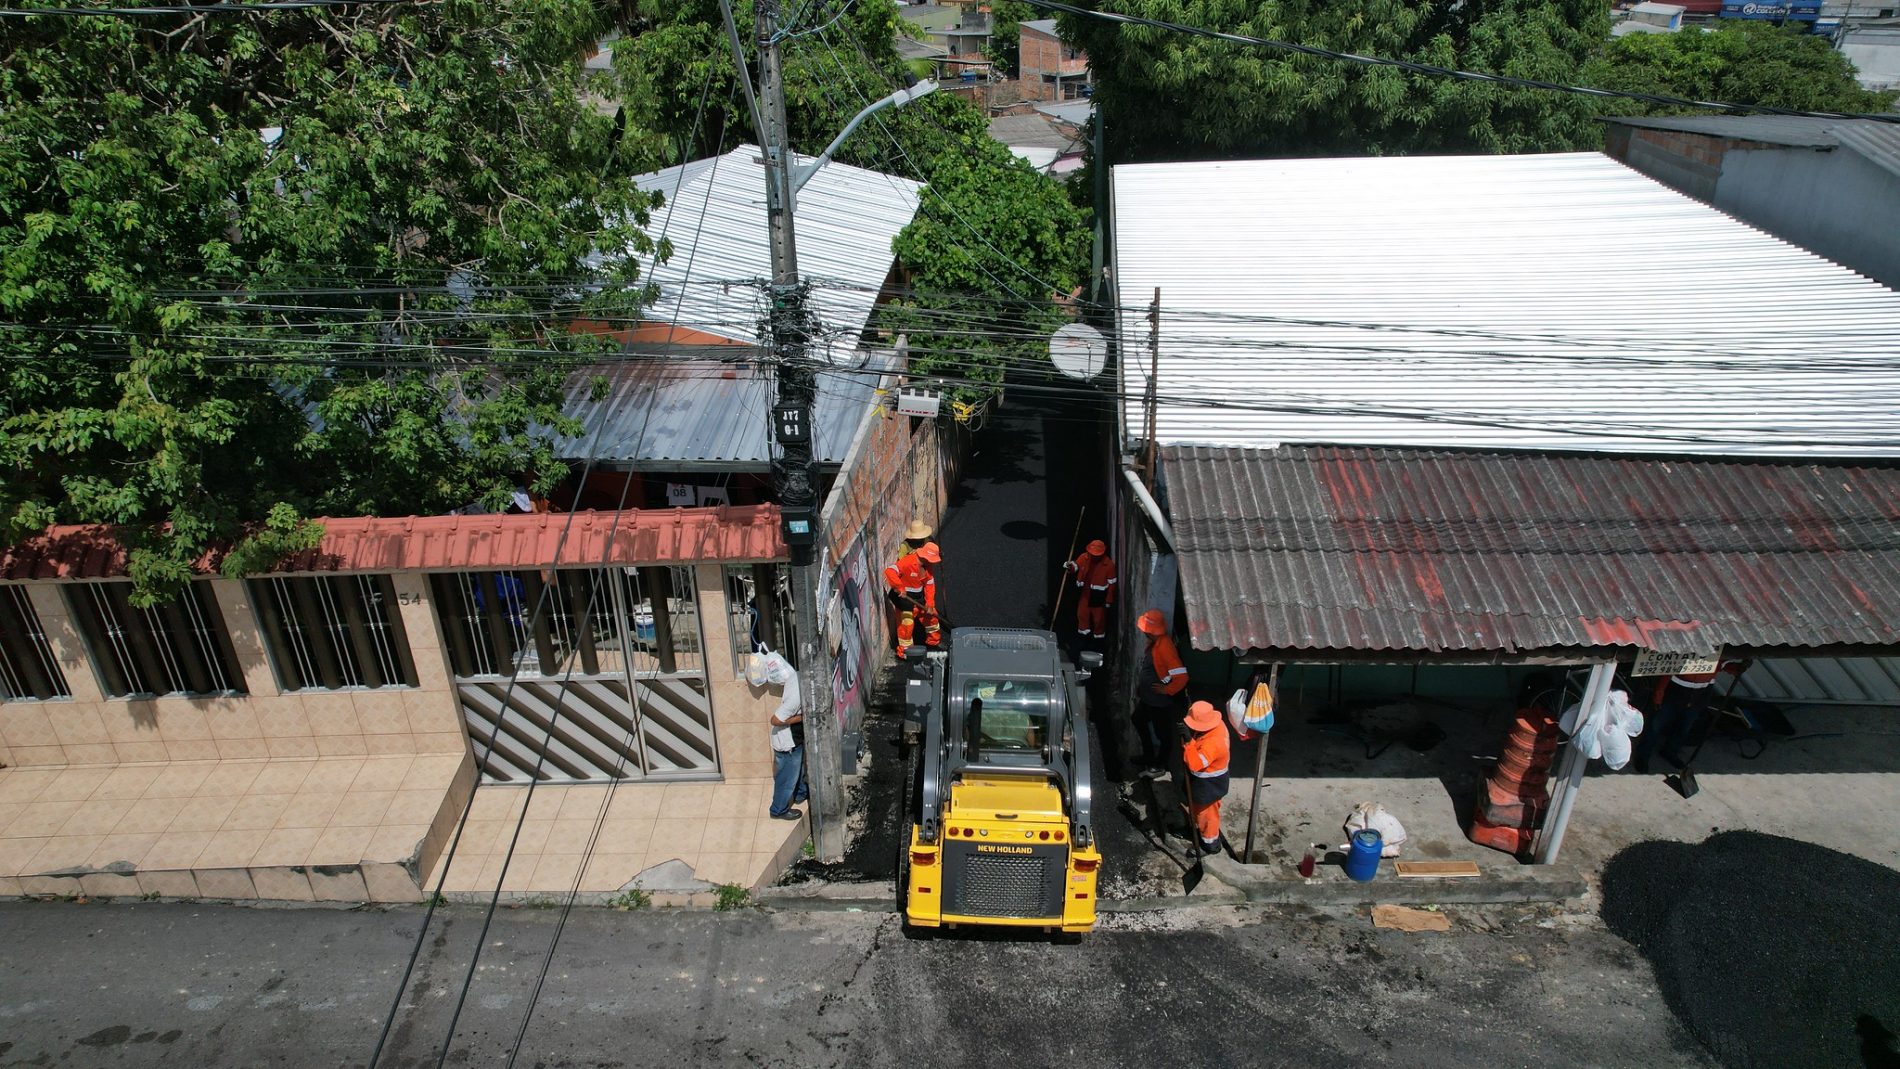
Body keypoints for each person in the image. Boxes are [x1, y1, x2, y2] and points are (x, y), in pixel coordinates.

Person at [1633, 660, 1742, 773]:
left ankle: (1670, 752)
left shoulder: (1717, 652)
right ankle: (1643, 756)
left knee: (1684, 727)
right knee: (1655, 725)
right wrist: (1660, 691)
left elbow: (1724, 664)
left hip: (1700, 694)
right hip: (1675, 690)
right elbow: (1668, 668)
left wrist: (1737, 667)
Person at [1134, 609, 1188, 778]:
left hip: (1159, 702)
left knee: (1163, 735)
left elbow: (1182, 677)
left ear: (1150, 631)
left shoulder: (1165, 647)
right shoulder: (1155, 644)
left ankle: (1160, 765)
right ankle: (1149, 757)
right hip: (1149, 698)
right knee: (1137, 720)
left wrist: (1167, 689)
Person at [760, 653, 807, 821]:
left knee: (798, 771)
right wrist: (802, 717)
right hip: (787, 744)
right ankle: (778, 810)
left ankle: (801, 794)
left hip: (796, 740)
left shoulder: (800, 676)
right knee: (786, 780)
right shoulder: (797, 697)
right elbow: (776, 719)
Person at [1182, 700, 1231, 855]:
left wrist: (1189, 743)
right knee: (1200, 810)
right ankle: (1198, 827)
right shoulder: (1216, 727)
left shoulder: (1213, 743)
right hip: (1208, 781)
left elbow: (1195, 763)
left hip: (1209, 784)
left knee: (1207, 815)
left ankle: (1210, 844)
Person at [882, 531, 940, 657]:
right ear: (926, 556)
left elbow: (930, 585)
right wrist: (900, 587)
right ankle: (905, 652)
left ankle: (933, 642)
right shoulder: (907, 562)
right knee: (906, 624)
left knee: (932, 618)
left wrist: (930, 603)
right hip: (905, 599)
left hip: (919, 598)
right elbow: (890, 571)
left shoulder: (927, 566)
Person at [1063, 539, 1117, 650]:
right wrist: (1070, 566)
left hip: (1099, 596)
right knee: (1082, 615)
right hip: (1085, 593)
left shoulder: (1109, 565)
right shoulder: (1084, 557)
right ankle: (1083, 640)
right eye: (1092, 554)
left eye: (1096, 555)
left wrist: (1108, 600)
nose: (1094, 556)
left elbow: (1112, 584)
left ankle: (1098, 643)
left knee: (1099, 620)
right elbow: (1076, 566)